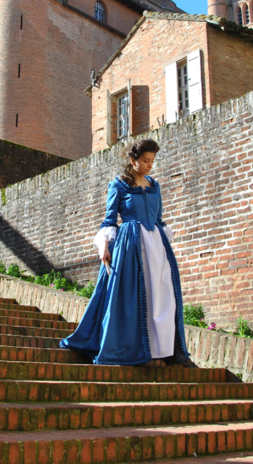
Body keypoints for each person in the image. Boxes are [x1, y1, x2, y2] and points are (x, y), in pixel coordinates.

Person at [60, 138, 194, 367]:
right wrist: (103, 246)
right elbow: (110, 219)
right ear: (133, 161)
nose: (150, 165)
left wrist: (165, 242)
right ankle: (134, 351)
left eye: (152, 160)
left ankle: (170, 351)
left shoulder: (155, 186)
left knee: (163, 297)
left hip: (157, 247)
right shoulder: (119, 185)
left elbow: (159, 220)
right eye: (145, 160)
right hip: (131, 245)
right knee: (135, 298)